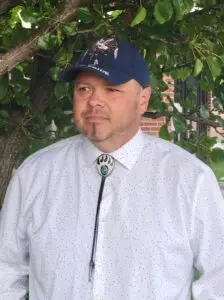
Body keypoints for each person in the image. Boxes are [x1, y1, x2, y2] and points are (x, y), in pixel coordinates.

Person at [0, 37, 224, 300]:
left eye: (112, 89)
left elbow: (218, 279)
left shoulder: (189, 180)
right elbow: (5, 270)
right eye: (84, 89)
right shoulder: (35, 174)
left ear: (143, 100)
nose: (94, 101)